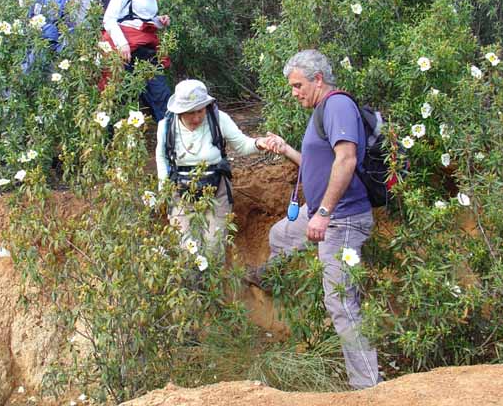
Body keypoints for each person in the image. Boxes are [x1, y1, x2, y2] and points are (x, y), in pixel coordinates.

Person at [248, 50, 381, 390]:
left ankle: (369, 386)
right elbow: (316, 162)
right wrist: (287, 150)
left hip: (343, 219)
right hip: (321, 214)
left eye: (297, 85)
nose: (294, 92)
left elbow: (346, 160)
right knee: (281, 234)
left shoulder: (336, 105)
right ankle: (273, 279)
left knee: (340, 301)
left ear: (317, 79)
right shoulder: (322, 111)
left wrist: (323, 213)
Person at [156, 79, 271, 261]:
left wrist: (259, 143)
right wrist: (163, 188)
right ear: (179, 111)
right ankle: (193, 286)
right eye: (189, 113)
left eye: (200, 111)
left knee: (213, 247)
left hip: (216, 189)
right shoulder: (166, 126)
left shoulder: (218, 119)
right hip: (180, 190)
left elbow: (242, 145)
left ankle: (213, 285)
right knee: (186, 247)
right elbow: (162, 157)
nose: (196, 118)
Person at [101, 0, 175, 122]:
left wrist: (159, 21)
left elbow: (141, 18)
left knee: (161, 95)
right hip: (123, 48)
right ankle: (108, 144)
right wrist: (122, 44)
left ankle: (170, 142)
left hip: (145, 48)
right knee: (115, 96)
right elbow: (110, 19)